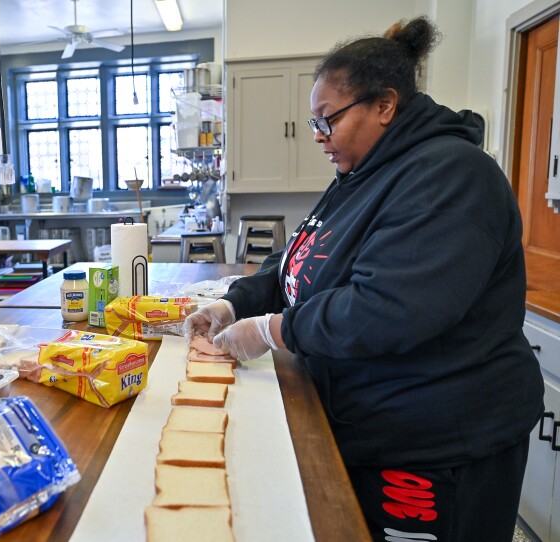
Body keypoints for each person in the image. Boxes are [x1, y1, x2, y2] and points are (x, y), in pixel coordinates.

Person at [184, 17, 544, 542]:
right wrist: (237, 303)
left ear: (384, 105)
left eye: (327, 120)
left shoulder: (451, 176)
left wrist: (272, 331)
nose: (319, 138)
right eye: (314, 124)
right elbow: (301, 261)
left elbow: (387, 309)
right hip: (367, 424)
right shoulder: (357, 175)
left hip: (434, 443)